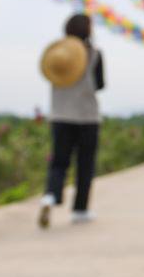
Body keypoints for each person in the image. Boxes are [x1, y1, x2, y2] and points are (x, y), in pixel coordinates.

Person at [38, 14, 105, 229]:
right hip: (87, 116)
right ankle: (80, 209)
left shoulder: (56, 54)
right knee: (85, 164)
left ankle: (50, 195)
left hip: (60, 115)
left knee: (59, 161)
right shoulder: (94, 53)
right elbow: (100, 84)